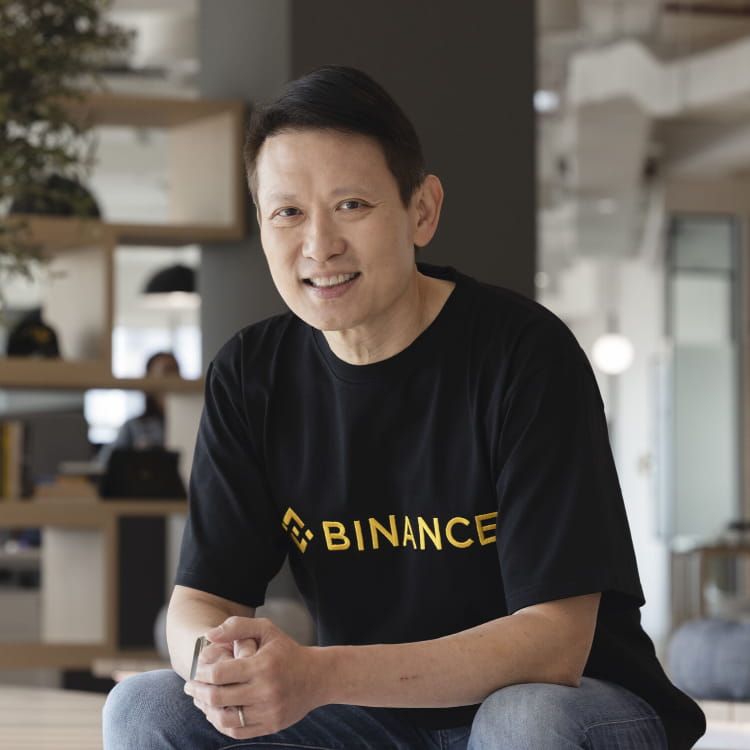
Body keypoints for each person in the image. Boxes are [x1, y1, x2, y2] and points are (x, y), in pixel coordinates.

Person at [103, 66, 706, 749]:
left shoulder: (524, 354)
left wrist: (319, 675)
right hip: (375, 716)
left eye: (351, 205)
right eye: (288, 213)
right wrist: (218, 669)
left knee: (523, 719)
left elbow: (554, 644)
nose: (319, 246)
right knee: (147, 709)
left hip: (575, 705)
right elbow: (203, 600)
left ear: (422, 211)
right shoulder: (250, 374)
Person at [97, 351, 181, 467]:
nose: (174, 378)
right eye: (167, 371)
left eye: (176, 370)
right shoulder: (134, 426)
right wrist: (134, 458)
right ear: (148, 380)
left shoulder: (189, 423)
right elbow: (104, 463)